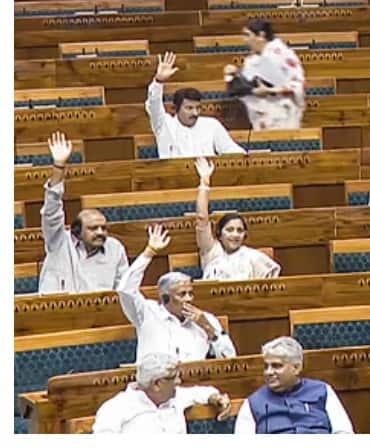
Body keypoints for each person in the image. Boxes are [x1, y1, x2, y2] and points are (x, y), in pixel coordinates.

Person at [118, 224, 238, 362]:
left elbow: (230, 360)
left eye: (190, 293)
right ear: (165, 298)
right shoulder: (147, 313)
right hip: (157, 375)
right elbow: (125, 289)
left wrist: (209, 329)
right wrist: (149, 252)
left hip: (194, 376)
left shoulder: (205, 319)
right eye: (182, 294)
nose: (189, 299)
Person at [38, 131, 128, 294]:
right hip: (61, 308)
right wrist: (59, 166)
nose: (100, 232)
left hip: (100, 309)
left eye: (103, 228)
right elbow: (51, 212)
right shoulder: (59, 242)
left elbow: (124, 290)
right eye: (93, 228)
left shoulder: (115, 249)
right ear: (77, 231)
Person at [235, 337, 354, 434]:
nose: (269, 372)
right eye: (266, 366)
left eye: (277, 366)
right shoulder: (253, 403)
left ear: (296, 368)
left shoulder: (323, 391)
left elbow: (344, 432)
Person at [92, 353, 232, 434]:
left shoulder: (176, 397)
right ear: (157, 384)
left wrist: (217, 399)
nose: (179, 381)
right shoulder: (115, 408)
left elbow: (202, 392)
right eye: (174, 377)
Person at [192, 157, 281, 281]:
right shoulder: (212, 252)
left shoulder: (254, 257)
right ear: (219, 234)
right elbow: (201, 219)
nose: (235, 235)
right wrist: (204, 184)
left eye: (240, 230)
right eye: (229, 230)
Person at [147, 52, 244, 158]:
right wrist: (158, 81)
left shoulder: (211, 125)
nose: (195, 113)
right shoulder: (164, 125)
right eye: (189, 108)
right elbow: (154, 105)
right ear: (176, 109)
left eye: (198, 108)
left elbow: (230, 149)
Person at [226, 19, 306, 130]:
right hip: (260, 113)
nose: (245, 40)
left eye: (248, 35)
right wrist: (236, 76)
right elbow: (250, 83)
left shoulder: (282, 54)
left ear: (261, 35)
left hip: (282, 112)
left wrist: (270, 90)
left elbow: (297, 83)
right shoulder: (252, 59)